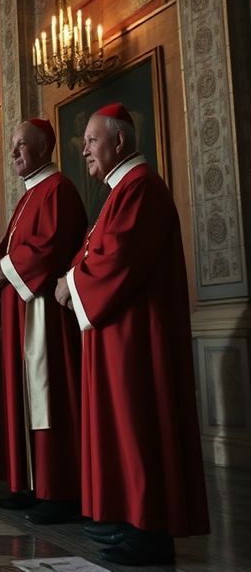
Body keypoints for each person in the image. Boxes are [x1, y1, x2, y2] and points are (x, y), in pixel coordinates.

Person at [54, 103, 209, 565]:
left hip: (138, 338)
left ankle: (149, 530)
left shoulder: (141, 188)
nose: (84, 150)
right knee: (121, 426)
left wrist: (70, 284)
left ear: (119, 141)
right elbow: (94, 253)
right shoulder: (121, 191)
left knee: (138, 424)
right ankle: (127, 519)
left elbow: (116, 258)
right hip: (116, 333)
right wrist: (73, 279)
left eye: (92, 141)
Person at [0, 119, 87, 524]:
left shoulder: (58, 189)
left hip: (44, 314)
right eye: (12, 146)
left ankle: (58, 490)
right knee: (24, 397)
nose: (13, 153)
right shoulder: (29, 195)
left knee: (49, 397)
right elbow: (6, 248)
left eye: (21, 146)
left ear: (44, 148)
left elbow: (48, 248)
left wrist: (3, 267)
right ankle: (28, 483)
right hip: (20, 312)